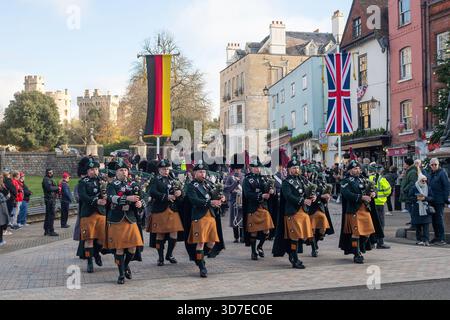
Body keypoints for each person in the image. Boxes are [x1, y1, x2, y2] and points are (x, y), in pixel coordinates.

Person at [106, 158, 145, 284]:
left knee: (133, 248)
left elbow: (144, 197)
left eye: (125, 170)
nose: (123, 172)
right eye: (120, 170)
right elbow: (112, 198)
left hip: (131, 219)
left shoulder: (134, 184)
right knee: (119, 248)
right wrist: (128, 198)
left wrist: (140, 203)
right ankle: (121, 274)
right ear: (116, 173)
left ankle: (125, 265)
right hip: (117, 219)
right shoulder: (112, 185)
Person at [184, 161, 225, 278]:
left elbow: (215, 195)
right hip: (199, 217)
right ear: (195, 173)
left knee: (211, 243)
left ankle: (200, 258)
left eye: (204, 172)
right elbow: (194, 200)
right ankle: (202, 267)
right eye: (200, 172)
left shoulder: (208, 184)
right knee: (201, 243)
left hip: (211, 217)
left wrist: (221, 198)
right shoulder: (191, 186)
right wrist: (210, 202)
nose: (203, 174)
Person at [339, 160, 384, 264]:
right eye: (355, 168)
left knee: (368, 231)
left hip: (365, 210)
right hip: (354, 210)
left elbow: (373, 189)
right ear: (350, 170)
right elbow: (346, 194)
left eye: (358, 168)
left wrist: (373, 193)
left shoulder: (363, 179)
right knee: (356, 233)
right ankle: (356, 254)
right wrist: (361, 197)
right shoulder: (345, 181)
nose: (357, 170)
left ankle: (361, 247)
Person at [272, 159, 314, 269]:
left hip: (302, 212)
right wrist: (302, 201)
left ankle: (292, 254)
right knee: (294, 237)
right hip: (292, 212)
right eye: (294, 168)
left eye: (297, 168)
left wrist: (312, 196)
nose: (296, 170)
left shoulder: (303, 180)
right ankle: (294, 258)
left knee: (301, 236)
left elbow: (308, 191)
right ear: (289, 169)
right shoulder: (286, 182)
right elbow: (288, 196)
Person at [147, 159, 184, 266]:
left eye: (167, 169)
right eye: (163, 169)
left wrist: (180, 192)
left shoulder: (173, 179)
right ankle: (160, 257)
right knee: (160, 235)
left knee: (174, 233)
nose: (166, 171)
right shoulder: (155, 180)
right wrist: (166, 197)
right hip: (160, 209)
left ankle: (169, 254)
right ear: (159, 170)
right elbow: (152, 192)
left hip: (173, 209)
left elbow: (182, 192)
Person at [243, 157, 276, 261]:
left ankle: (260, 246)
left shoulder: (264, 178)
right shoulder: (247, 179)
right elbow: (248, 194)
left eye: (259, 167)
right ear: (251, 168)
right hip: (252, 208)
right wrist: (261, 196)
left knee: (267, 230)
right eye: (255, 167)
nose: (257, 169)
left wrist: (272, 191)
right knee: (254, 232)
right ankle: (253, 252)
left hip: (264, 207)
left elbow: (271, 189)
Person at [78, 158, 107, 273]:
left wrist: (106, 197)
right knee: (88, 239)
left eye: (95, 169)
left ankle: (96, 253)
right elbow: (83, 196)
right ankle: (90, 263)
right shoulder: (83, 182)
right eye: (91, 169)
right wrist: (96, 200)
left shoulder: (102, 181)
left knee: (102, 239)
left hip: (101, 213)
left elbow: (107, 194)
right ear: (87, 171)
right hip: (87, 213)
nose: (94, 171)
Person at [369, 165, 392, 249]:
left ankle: (371, 242)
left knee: (371, 223)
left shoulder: (369, 178)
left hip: (370, 203)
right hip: (379, 204)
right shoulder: (381, 179)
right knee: (380, 224)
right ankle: (380, 242)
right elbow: (388, 190)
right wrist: (383, 195)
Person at [428, 158, 449, 246]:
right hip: (432, 199)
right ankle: (436, 237)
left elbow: (446, 186)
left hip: (439, 200)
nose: (434, 166)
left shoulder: (442, 173)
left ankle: (441, 239)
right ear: (430, 165)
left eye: (435, 164)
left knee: (439, 219)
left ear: (438, 165)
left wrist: (445, 199)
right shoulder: (431, 174)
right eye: (432, 165)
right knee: (433, 220)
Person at [224, 154, 245, 243]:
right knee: (234, 218)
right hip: (233, 200)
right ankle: (236, 237)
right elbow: (226, 189)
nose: (237, 170)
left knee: (242, 217)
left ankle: (242, 236)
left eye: (239, 168)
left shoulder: (244, 176)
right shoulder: (230, 177)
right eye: (236, 168)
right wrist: (235, 184)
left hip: (242, 199)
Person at [409, 174, 433, 246]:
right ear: (419, 180)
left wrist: (425, 198)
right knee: (418, 226)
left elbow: (432, 198)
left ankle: (426, 240)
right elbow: (409, 198)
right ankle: (419, 239)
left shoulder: (428, 188)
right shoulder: (414, 188)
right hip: (416, 209)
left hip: (425, 209)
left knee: (426, 226)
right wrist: (416, 198)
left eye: (425, 180)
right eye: (422, 180)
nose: (424, 181)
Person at [400, 159, 418, 229]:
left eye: (404, 164)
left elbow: (412, 183)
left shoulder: (412, 172)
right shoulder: (409, 171)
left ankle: (414, 225)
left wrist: (405, 189)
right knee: (410, 210)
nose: (403, 165)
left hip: (410, 194)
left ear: (407, 164)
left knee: (412, 211)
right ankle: (413, 223)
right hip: (407, 194)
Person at [42, 169, 59, 236]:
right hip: (49, 199)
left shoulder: (49, 179)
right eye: (50, 173)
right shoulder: (46, 179)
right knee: (50, 215)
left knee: (49, 215)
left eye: (52, 172)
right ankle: (50, 230)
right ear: (47, 173)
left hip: (51, 199)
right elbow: (49, 188)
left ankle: (47, 230)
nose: (51, 174)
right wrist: (57, 188)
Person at [0, 175, 11, 246]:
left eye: (1, 177)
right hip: (1, 206)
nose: (1, 179)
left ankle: (1, 240)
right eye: (0, 177)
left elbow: (7, 193)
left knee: (2, 224)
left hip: (3, 206)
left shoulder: (2, 186)